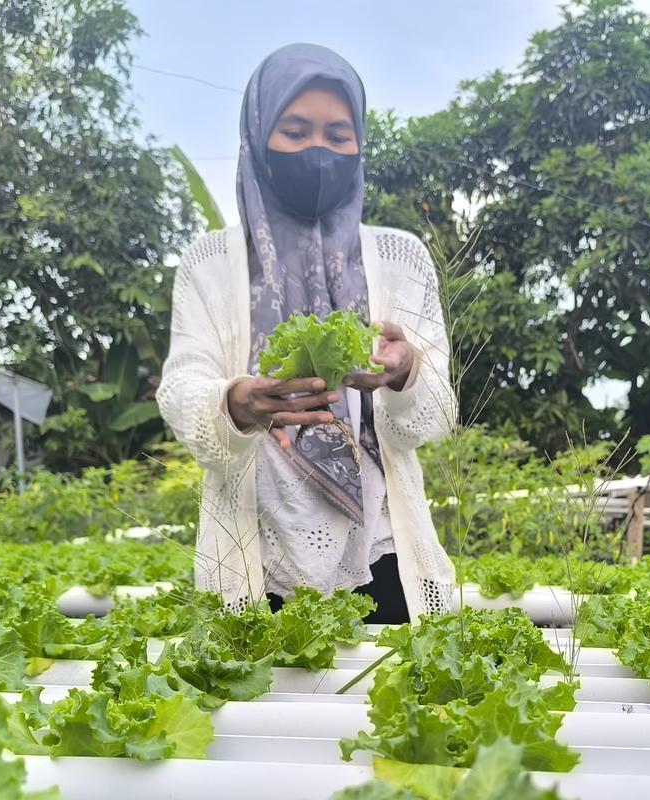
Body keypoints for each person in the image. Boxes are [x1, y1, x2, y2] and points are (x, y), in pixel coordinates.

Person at [157, 43, 457, 624]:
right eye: (295, 132)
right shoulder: (210, 262)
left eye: (338, 135)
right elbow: (181, 390)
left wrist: (406, 372)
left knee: (393, 685)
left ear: (360, 143)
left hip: (384, 554)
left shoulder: (400, 258)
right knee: (254, 685)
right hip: (254, 557)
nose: (318, 151)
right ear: (257, 137)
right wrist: (236, 404)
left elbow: (435, 416)